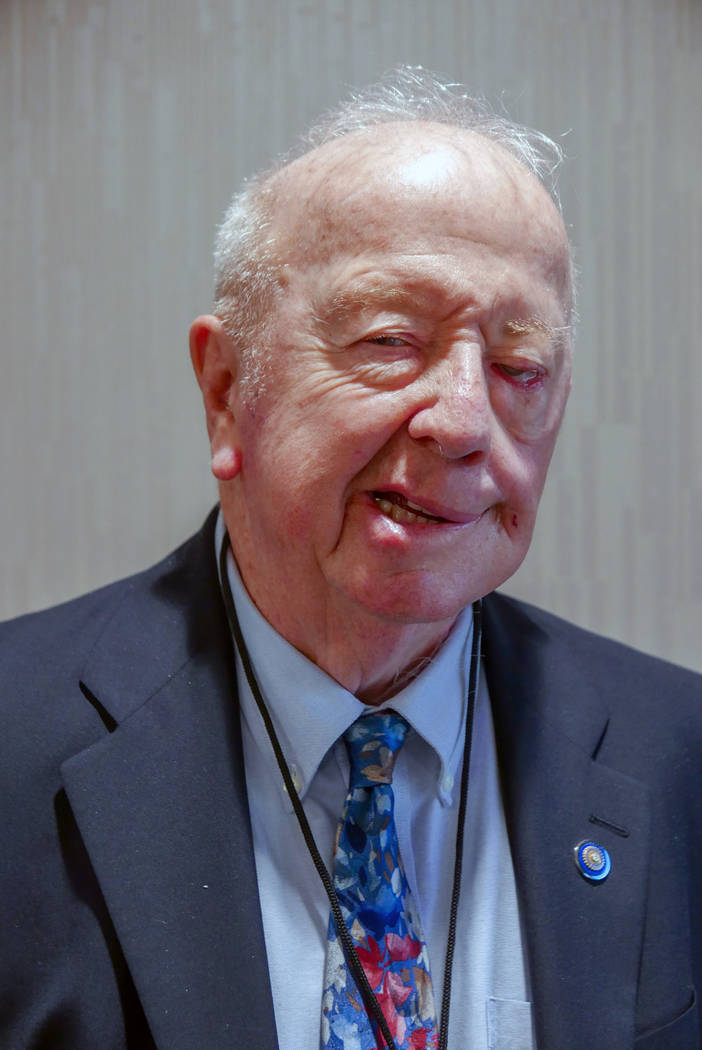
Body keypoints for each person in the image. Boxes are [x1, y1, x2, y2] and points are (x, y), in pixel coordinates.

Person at [1, 68, 700, 1050]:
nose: (466, 421)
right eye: (391, 340)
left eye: (520, 368)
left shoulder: (677, 752)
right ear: (226, 388)